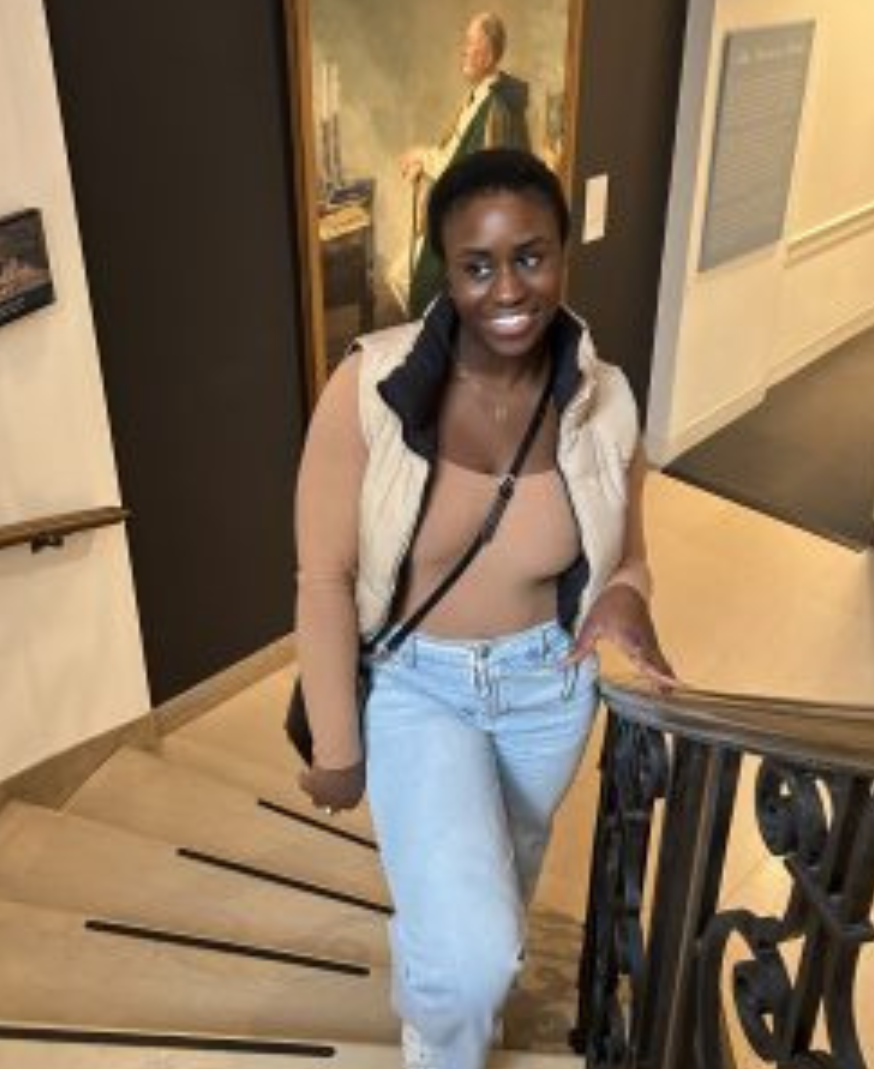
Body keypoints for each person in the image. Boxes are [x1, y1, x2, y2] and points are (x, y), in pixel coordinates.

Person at [294, 148, 673, 1069]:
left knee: (498, 891)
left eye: (531, 256)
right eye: (477, 265)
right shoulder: (368, 389)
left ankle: (449, 988)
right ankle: (442, 1042)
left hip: (549, 691)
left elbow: (627, 552)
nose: (508, 287)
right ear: (446, 271)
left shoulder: (605, 399)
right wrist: (340, 746)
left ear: (563, 255)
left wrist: (623, 599)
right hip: (418, 688)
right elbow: (324, 578)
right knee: (472, 956)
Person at [400, 12, 531, 319]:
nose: (464, 50)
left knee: (417, 282)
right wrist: (423, 156)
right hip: (465, 214)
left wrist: (424, 161)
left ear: (487, 54)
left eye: (471, 43)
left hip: (476, 228)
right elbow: (455, 151)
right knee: (405, 275)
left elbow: (468, 172)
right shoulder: (479, 98)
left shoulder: (496, 108)